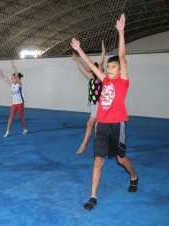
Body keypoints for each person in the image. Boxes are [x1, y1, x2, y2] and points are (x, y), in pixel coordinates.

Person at [70, 13, 138, 211]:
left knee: (120, 159)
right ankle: (93, 196)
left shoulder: (122, 82)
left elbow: (123, 56)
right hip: (102, 125)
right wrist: (79, 49)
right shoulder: (104, 79)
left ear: (119, 70)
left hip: (118, 125)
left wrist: (121, 32)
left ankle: (134, 176)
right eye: (108, 66)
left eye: (113, 66)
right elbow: (91, 65)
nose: (109, 68)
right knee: (98, 160)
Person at [72, 40, 105, 154]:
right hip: (93, 103)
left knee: (90, 123)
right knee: (97, 123)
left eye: (93, 69)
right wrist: (77, 60)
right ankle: (100, 141)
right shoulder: (91, 77)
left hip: (99, 103)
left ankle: (84, 144)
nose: (91, 70)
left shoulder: (100, 78)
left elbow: (100, 64)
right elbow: (83, 69)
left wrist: (103, 52)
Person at [0, 60, 28, 137]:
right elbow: (6, 79)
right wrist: (2, 75)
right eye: (12, 78)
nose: (12, 79)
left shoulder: (19, 84)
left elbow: (17, 77)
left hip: (20, 102)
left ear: (17, 79)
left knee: (21, 117)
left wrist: (14, 67)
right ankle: (7, 131)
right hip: (14, 103)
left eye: (14, 78)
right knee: (11, 117)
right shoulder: (12, 85)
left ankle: (25, 129)